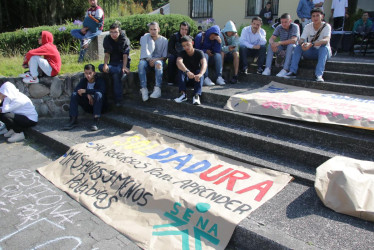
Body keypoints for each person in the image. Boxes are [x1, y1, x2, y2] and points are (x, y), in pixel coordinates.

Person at [285, 8, 332, 82]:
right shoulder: (308, 26)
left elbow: (326, 40)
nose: (315, 18)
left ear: (322, 16)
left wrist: (312, 44)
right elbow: (301, 39)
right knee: (298, 47)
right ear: (311, 17)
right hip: (311, 51)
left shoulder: (326, 26)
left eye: (317, 15)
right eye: (313, 16)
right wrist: (302, 44)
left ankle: (319, 74)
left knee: (324, 47)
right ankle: (292, 71)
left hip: (323, 52)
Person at [63, 64, 106, 131]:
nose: (88, 75)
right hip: (88, 105)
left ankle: (96, 121)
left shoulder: (100, 80)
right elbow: (77, 90)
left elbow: (102, 91)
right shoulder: (84, 81)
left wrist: (86, 91)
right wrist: (87, 95)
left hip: (99, 107)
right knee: (74, 95)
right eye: (86, 73)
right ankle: (73, 120)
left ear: (94, 73)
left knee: (98, 94)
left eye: (90, 73)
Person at [98, 21, 130, 107]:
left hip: (122, 63)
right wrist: (105, 65)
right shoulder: (107, 39)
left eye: (115, 32)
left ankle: (118, 100)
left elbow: (125, 55)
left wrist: (124, 67)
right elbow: (107, 54)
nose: (113, 34)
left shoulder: (124, 39)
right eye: (111, 32)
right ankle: (120, 73)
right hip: (112, 64)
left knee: (116, 75)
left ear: (119, 32)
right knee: (100, 67)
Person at [138, 22, 168, 102]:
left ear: (158, 29)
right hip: (147, 60)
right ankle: (143, 88)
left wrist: (155, 60)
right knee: (141, 64)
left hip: (159, 61)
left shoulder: (164, 40)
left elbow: (165, 57)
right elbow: (144, 52)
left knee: (158, 63)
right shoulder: (146, 38)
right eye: (151, 29)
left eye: (154, 29)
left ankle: (157, 88)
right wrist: (150, 60)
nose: (153, 31)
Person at [174, 36, 207, 105]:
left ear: (192, 43)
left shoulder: (199, 52)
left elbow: (204, 63)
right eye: (184, 46)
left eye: (188, 45)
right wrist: (187, 71)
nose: (186, 47)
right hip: (186, 79)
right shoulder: (182, 53)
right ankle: (183, 94)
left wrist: (200, 74)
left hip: (197, 79)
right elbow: (178, 62)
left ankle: (196, 96)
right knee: (181, 70)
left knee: (199, 72)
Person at [167, 21, 190, 86]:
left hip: (186, 55)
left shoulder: (190, 38)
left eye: (186, 29)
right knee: (171, 58)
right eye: (182, 29)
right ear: (180, 29)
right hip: (176, 54)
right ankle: (170, 80)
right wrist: (178, 55)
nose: (184, 31)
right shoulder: (174, 36)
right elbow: (170, 49)